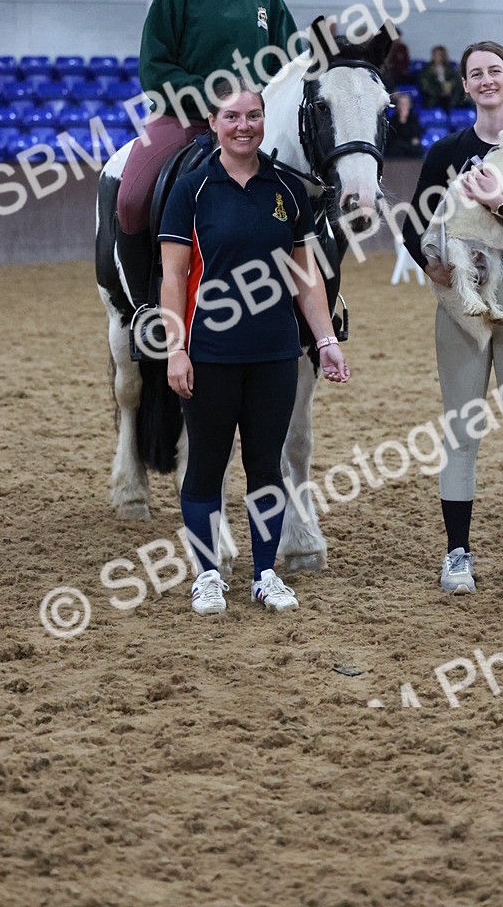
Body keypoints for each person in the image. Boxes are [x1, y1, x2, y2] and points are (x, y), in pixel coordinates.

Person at [158, 80, 350, 616]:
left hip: (274, 356)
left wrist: (326, 340)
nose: (244, 126)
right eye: (232, 116)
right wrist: (176, 348)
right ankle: (208, 575)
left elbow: (306, 277)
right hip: (210, 354)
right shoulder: (191, 190)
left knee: (267, 466)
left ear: (265, 120)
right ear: (215, 124)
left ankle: (265, 573)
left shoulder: (287, 191)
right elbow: (173, 277)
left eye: (253, 116)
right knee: (206, 468)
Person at [402, 41, 503, 597]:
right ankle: (457, 555)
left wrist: (498, 203)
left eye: (495, 70)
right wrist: (431, 263)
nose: (487, 79)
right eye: (476, 74)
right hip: (464, 305)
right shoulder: (447, 149)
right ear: (466, 86)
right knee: (462, 431)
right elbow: (412, 222)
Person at [117, 0, 298, 315]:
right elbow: (155, 69)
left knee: (308, 193)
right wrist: (216, 100)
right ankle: (143, 304)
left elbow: (292, 65)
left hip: (257, 124)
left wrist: (255, 107)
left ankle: (317, 297)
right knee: (131, 200)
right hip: (186, 120)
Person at [419, 45, 462, 109]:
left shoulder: (449, 68)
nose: (437, 57)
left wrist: (449, 86)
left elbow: (455, 80)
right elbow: (426, 86)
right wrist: (440, 92)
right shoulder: (426, 70)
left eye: (439, 55)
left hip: (449, 95)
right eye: (435, 54)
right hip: (434, 97)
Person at [385, 91, 423, 158]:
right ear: (397, 106)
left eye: (405, 104)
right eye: (401, 104)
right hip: (397, 147)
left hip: (410, 147)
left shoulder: (413, 118)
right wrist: (402, 121)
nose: (403, 106)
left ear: (409, 105)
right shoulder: (393, 119)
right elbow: (392, 137)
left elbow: (416, 136)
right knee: (396, 146)